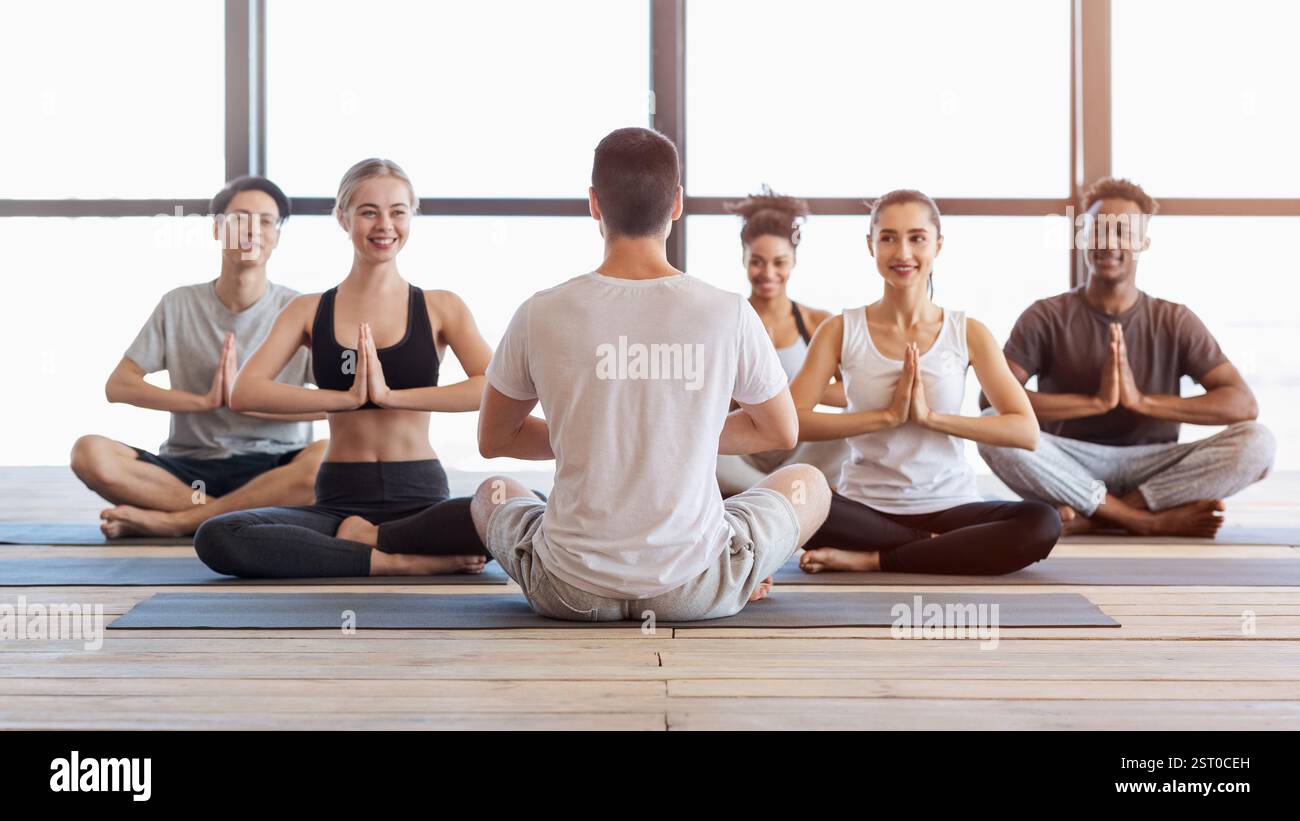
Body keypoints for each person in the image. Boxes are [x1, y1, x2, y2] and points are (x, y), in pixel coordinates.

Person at [469, 127, 831, 621]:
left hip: (568, 592)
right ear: (676, 203)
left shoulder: (540, 312)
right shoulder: (728, 311)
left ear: (594, 203)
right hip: (697, 588)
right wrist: (679, 432)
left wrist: (596, 432)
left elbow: (495, 438)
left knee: (492, 493)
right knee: (809, 483)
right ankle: (741, 571)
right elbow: (780, 430)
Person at [193, 159, 492, 577]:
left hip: (421, 496)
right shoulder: (309, 310)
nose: (384, 224)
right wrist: (346, 399)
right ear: (342, 217)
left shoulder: (441, 306)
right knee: (219, 535)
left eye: (397, 212)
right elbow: (247, 392)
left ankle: (373, 541)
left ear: (411, 217)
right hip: (339, 501)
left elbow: (493, 388)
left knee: (514, 504)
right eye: (369, 211)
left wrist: (391, 397)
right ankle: (392, 560)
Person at [977, 177, 1275, 538]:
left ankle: (1097, 517)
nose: (1109, 242)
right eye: (1097, 230)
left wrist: (1142, 402)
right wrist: (1095, 402)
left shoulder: (1174, 319)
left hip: (1153, 464)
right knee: (993, 428)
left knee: (1258, 442)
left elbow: (1243, 405)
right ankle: (1145, 520)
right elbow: (990, 399)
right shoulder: (1045, 315)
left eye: (1122, 231)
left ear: (1142, 242)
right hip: (1068, 462)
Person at [793, 189, 1060, 576]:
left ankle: (876, 558)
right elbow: (792, 421)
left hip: (951, 504)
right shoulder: (839, 330)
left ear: (938, 244)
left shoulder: (968, 332)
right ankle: (941, 550)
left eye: (917, 238)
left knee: (1043, 522)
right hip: (865, 508)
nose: (903, 253)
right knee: (794, 500)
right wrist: (885, 417)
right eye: (888, 238)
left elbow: (1025, 430)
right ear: (871, 245)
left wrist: (931, 418)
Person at [70, 176, 327, 538]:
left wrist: (254, 403)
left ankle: (176, 522)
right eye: (239, 218)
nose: (252, 229)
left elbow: (345, 401)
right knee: (88, 452)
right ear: (217, 229)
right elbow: (119, 386)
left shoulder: (301, 310)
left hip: (276, 467)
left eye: (266, 220)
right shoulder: (179, 303)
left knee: (328, 458)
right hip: (188, 474)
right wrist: (203, 402)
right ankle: (237, 514)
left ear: (278, 235)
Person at [714, 186, 849, 496]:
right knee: (700, 447)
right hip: (740, 446)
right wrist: (752, 388)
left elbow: (851, 392)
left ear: (794, 261)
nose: (768, 273)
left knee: (850, 436)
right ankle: (782, 496)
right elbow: (709, 402)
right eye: (757, 261)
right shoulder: (728, 319)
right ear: (743, 258)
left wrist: (786, 389)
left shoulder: (817, 322)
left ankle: (766, 494)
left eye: (779, 262)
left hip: (800, 445)